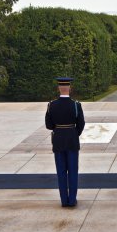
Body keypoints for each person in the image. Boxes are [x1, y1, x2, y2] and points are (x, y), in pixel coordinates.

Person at [45, 77, 85, 207]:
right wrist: (74, 133)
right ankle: (72, 200)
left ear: (58, 88)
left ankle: (64, 200)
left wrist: (59, 129)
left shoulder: (51, 105)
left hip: (58, 141)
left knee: (61, 171)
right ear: (70, 88)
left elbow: (49, 125)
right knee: (73, 171)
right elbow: (81, 124)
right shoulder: (75, 105)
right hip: (72, 140)